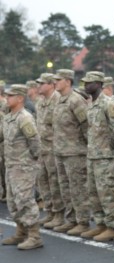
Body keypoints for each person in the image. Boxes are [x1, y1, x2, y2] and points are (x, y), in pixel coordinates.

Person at [81, 71, 114, 242]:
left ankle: (112, 227)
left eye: (89, 83)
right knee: (94, 193)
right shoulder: (91, 104)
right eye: (85, 83)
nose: (86, 86)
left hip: (105, 156)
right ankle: (100, 224)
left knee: (107, 192)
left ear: (99, 84)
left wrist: (111, 145)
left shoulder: (108, 103)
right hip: (92, 155)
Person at [0, 85, 42, 250]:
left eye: (11, 96)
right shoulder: (9, 117)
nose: (7, 98)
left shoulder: (25, 118)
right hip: (11, 165)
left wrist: (31, 160)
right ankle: (21, 231)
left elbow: (35, 142)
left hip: (23, 166)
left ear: (20, 98)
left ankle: (35, 235)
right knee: (12, 201)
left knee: (25, 200)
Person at [52, 69, 90, 235]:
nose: (55, 82)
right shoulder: (60, 100)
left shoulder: (76, 100)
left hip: (75, 152)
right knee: (65, 188)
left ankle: (83, 221)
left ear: (68, 81)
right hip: (61, 151)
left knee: (77, 188)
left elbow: (86, 125)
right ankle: (71, 219)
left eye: (58, 80)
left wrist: (86, 147)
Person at [35, 73, 62, 226]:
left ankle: (59, 214)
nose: (39, 86)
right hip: (42, 148)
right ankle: (50, 211)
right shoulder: (40, 102)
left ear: (51, 85)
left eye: (42, 83)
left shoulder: (58, 100)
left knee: (55, 182)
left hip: (54, 148)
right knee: (43, 181)